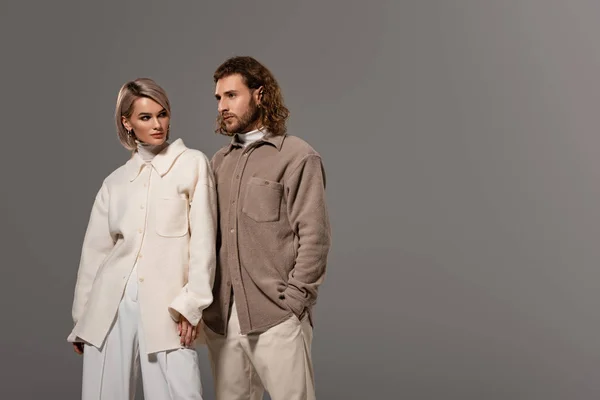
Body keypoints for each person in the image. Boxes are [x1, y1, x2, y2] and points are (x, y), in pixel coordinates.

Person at [67, 78, 217, 400]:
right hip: (109, 306)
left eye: (162, 114)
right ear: (127, 123)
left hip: (167, 306)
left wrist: (192, 305)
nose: (158, 124)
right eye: (145, 117)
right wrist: (82, 319)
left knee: (178, 391)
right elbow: (94, 253)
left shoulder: (192, 164)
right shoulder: (115, 182)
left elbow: (204, 242)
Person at [202, 56, 332, 400]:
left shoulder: (298, 156)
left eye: (232, 95)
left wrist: (294, 303)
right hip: (223, 321)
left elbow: (315, 237)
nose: (223, 106)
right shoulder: (218, 163)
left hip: (276, 317)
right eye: (218, 98)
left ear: (260, 95)